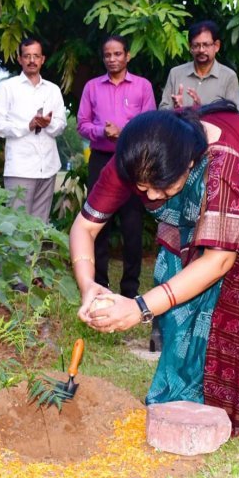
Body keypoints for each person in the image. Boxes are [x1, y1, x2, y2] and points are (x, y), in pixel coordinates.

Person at [70, 101, 239, 439]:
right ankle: (179, 393)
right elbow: (84, 228)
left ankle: (228, 404)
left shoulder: (222, 166)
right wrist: (88, 285)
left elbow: (219, 260)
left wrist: (139, 308)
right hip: (211, 191)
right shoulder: (138, 159)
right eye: (143, 188)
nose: (151, 195)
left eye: (161, 187)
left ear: (190, 163)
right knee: (173, 276)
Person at [77, 35, 156, 299]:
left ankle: (130, 289)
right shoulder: (92, 87)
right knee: (98, 224)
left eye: (117, 54)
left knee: (132, 226)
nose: (112, 59)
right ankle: (99, 283)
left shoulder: (143, 86)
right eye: (108, 55)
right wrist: (103, 131)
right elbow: (82, 124)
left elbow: (150, 122)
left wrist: (125, 132)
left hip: (133, 161)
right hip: (101, 159)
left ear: (127, 56)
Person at [0, 37, 66, 222]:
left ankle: (35, 254)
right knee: (16, 226)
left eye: (36, 56)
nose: (32, 60)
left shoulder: (53, 90)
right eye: (27, 56)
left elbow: (61, 125)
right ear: (20, 59)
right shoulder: (9, 88)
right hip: (20, 169)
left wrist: (49, 124)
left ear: (43, 59)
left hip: (47, 167)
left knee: (39, 225)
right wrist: (27, 126)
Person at [158, 20, 239, 109]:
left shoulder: (228, 76)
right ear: (190, 47)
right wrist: (176, 110)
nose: (201, 50)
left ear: (216, 46)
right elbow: (162, 111)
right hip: (178, 123)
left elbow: (233, 115)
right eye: (196, 45)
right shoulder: (175, 73)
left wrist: (201, 110)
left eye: (206, 45)